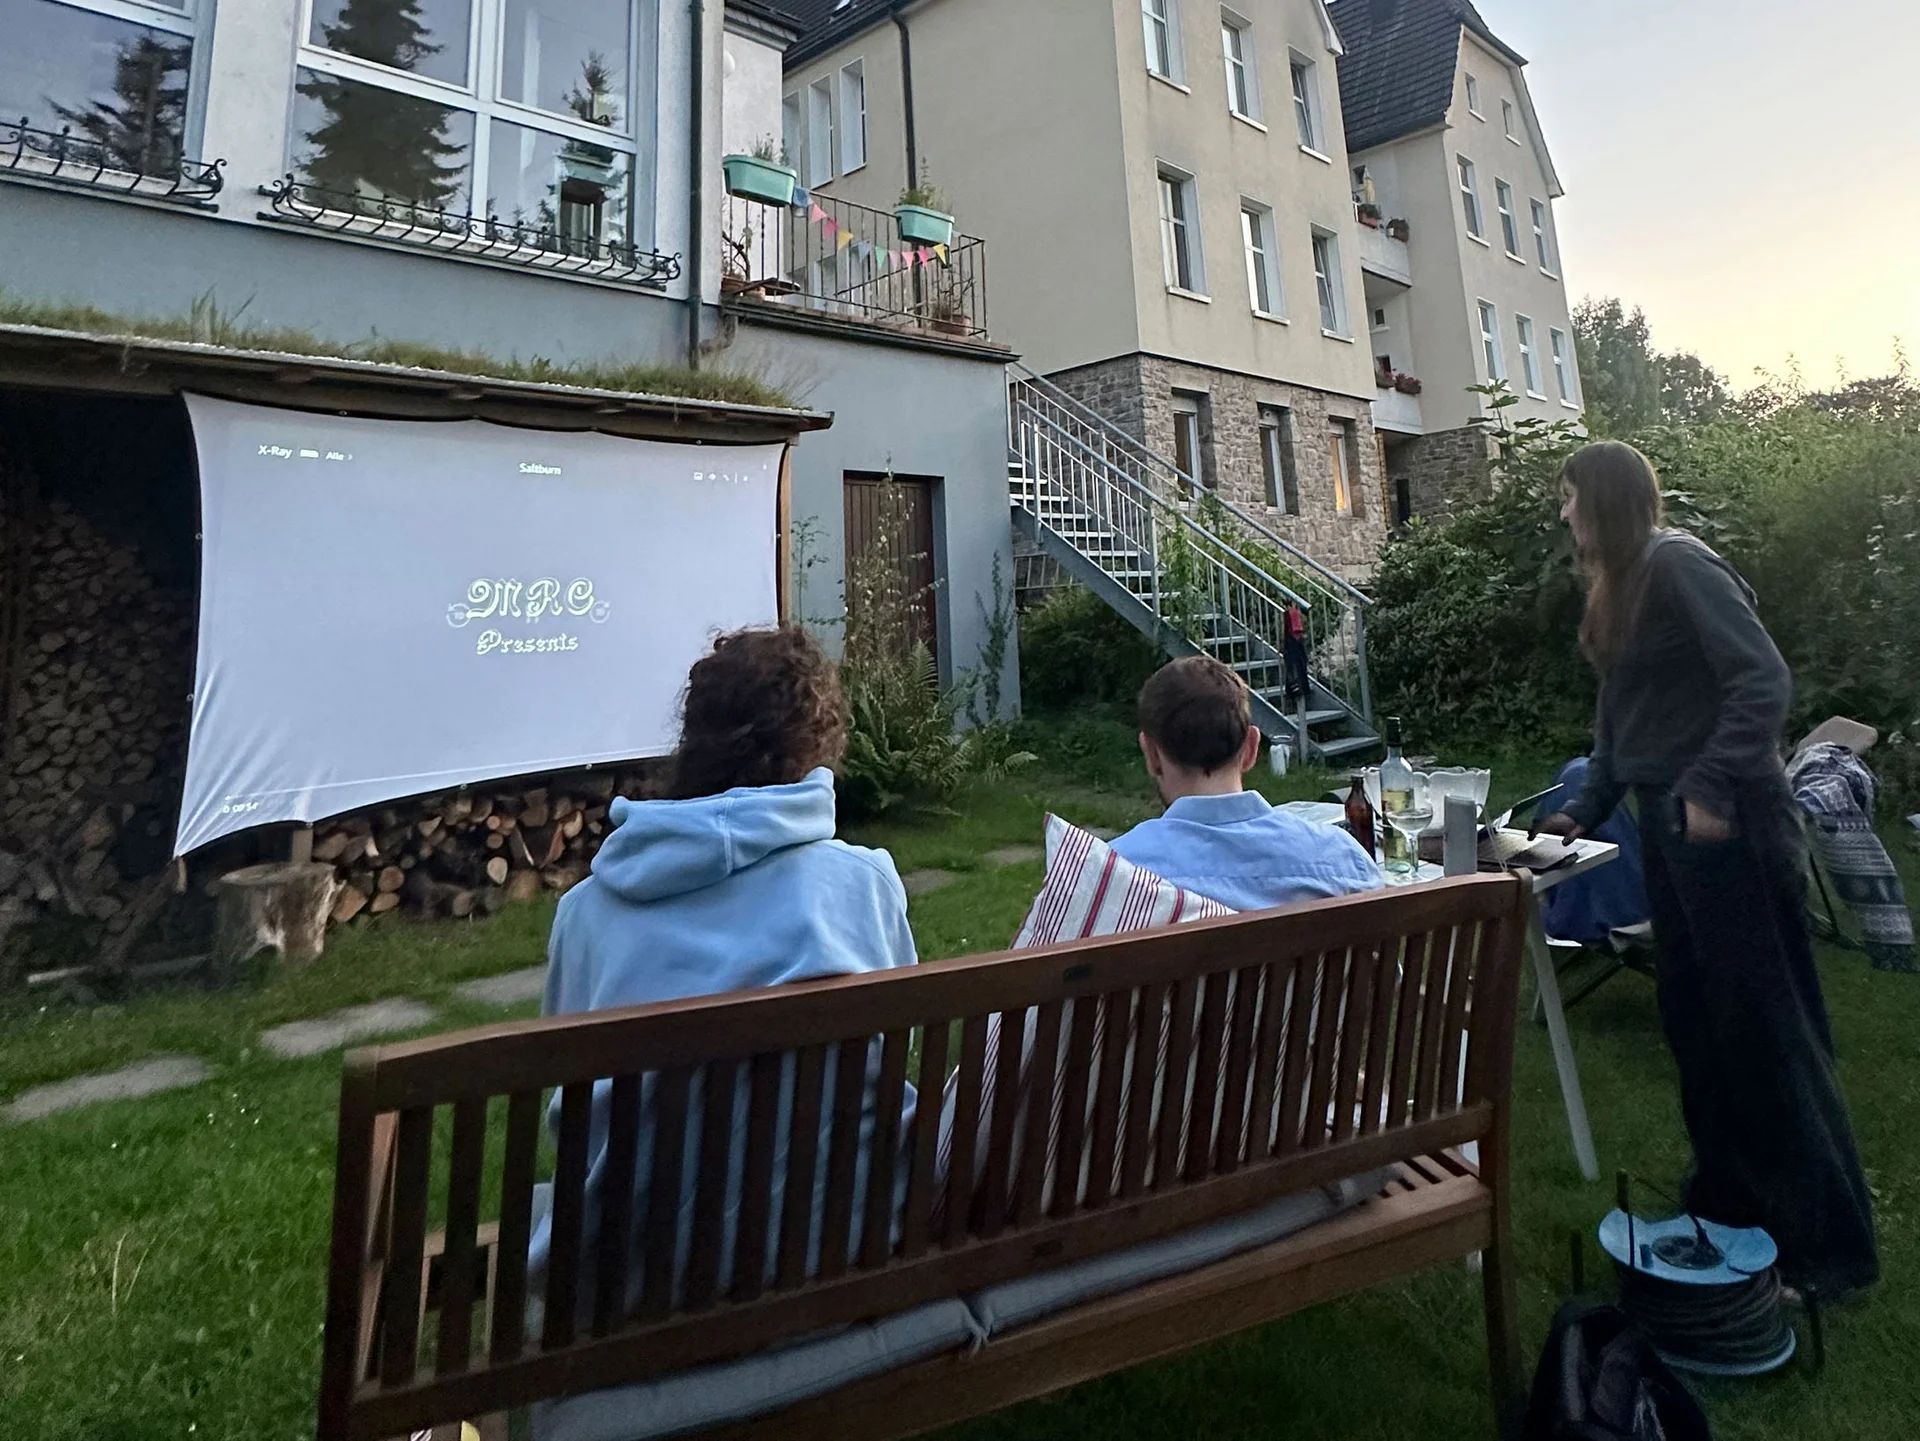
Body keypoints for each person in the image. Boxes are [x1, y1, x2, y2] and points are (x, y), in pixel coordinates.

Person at [1537, 441, 1877, 1297]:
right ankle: (1729, 1205)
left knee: (1767, 1031)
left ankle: (1828, 1249)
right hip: (1671, 823)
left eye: (1571, 496)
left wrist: (1709, 780)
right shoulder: (1620, 585)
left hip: (1732, 822)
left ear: (1606, 498)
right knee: (1698, 1023)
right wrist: (1588, 802)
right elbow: (1623, 715)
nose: (1564, 512)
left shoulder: (1679, 563)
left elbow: (1762, 680)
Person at [529, 626, 918, 1343]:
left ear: (695, 737)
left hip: (641, 1289)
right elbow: (892, 1058)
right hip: (842, 1250)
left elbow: (569, 1111)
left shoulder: (585, 915)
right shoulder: (864, 885)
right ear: (818, 746)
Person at [1108, 655, 1383, 911]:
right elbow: (1382, 963)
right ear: (1251, 749)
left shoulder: (1113, 873)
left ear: (1152, 754)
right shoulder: (1343, 859)